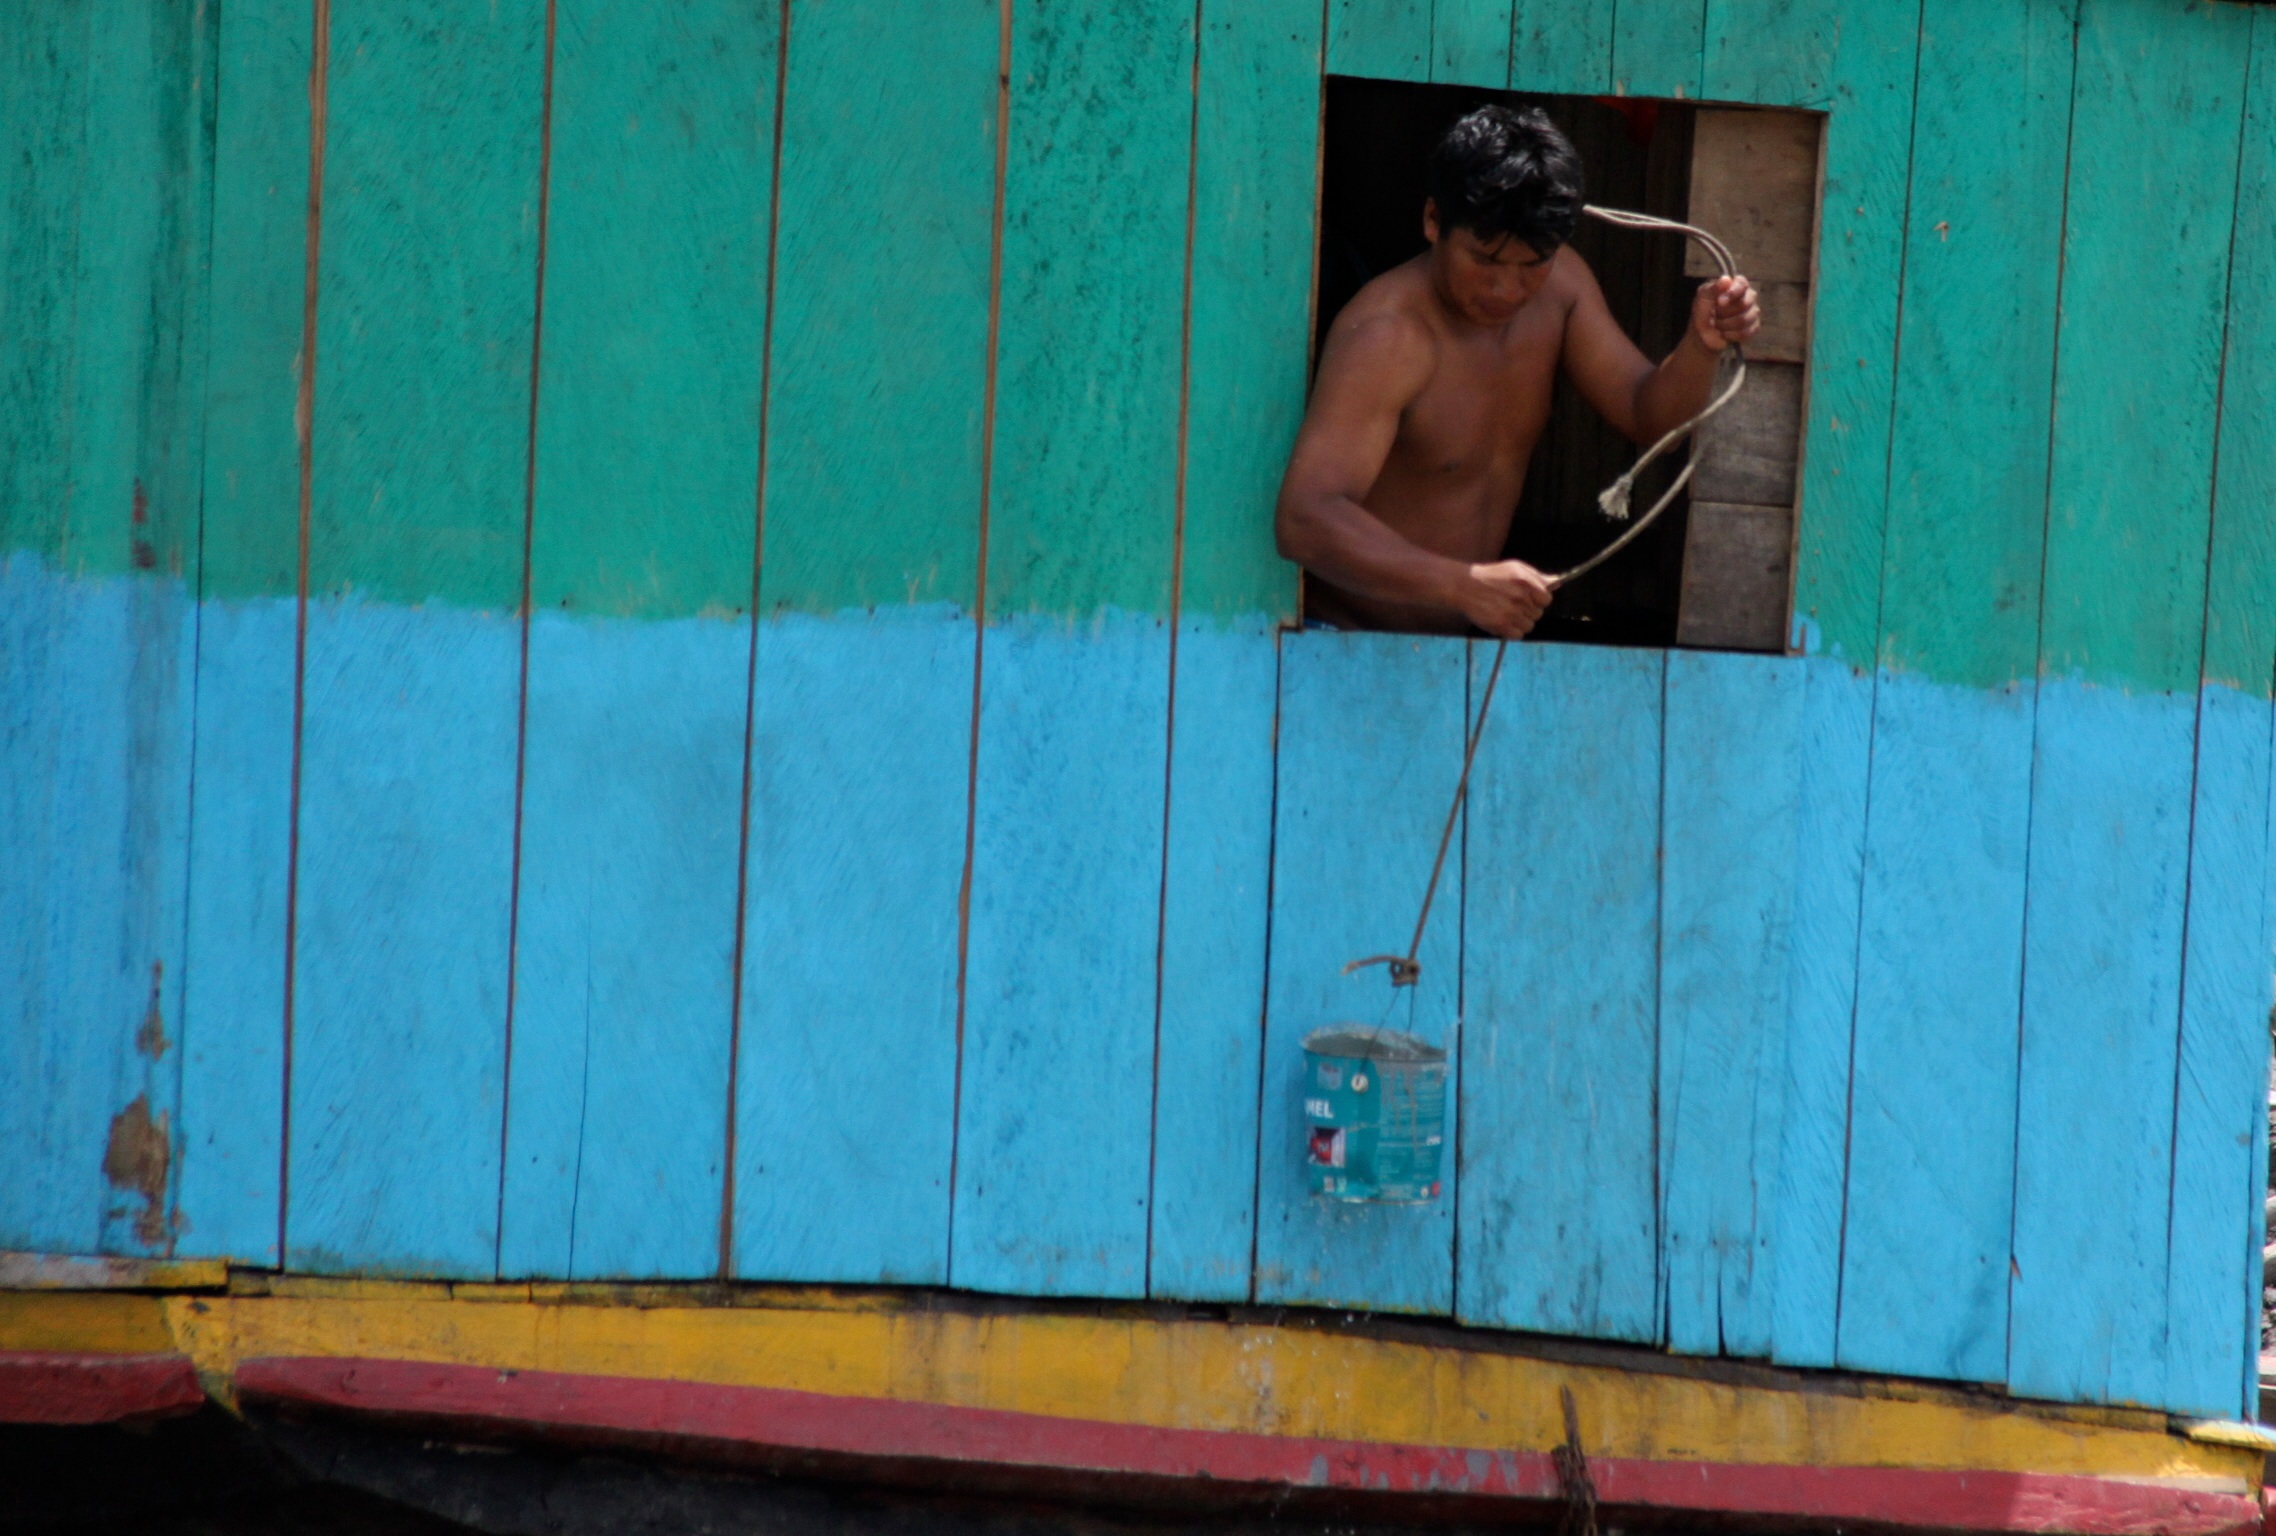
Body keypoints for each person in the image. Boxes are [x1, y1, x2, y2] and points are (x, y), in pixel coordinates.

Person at [1276, 104, 1761, 639]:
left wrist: (1702, 344)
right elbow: (1305, 519)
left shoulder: (1562, 289)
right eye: (1484, 260)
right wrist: (1462, 583)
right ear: (1434, 220)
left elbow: (1652, 422)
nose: (1507, 290)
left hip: (1463, 654)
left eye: (1533, 264)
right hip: (1340, 645)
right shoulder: (1388, 335)